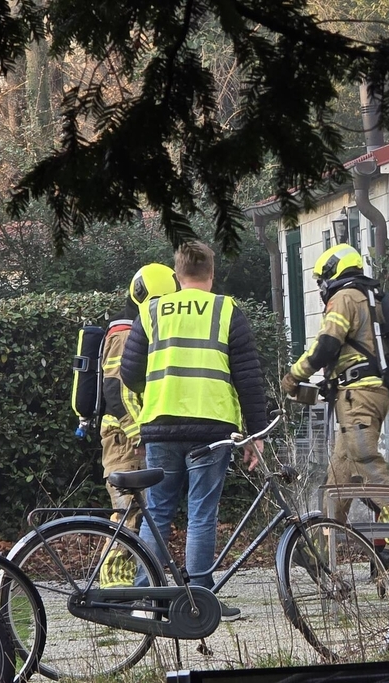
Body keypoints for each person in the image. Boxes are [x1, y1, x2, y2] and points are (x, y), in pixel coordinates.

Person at [121, 241, 267, 620]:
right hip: (211, 428)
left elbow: (130, 374)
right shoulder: (226, 309)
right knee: (201, 513)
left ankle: (146, 598)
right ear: (211, 272)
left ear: (177, 272)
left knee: (159, 510)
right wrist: (257, 433)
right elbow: (248, 378)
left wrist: (159, 389)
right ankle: (199, 601)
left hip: (161, 426)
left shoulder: (151, 312)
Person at [279, 243, 389, 569]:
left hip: (359, 396)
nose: (321, 289)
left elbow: (327, 344)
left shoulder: (346, 296)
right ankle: (319, 547)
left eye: (321, 281)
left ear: (333, 273)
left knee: (364, 456)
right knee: (338, 478)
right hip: (361, 392)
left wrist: (294, 375)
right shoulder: (366, 296)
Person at [98, 263, 179, 588]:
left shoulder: (137, 328)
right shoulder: (125, 333)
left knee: (140, 515)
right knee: (127, 515)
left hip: (132, 436)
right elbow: (115, 390)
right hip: (124, 440)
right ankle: (114, 591)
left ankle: (131, 588)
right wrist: (138, 434)